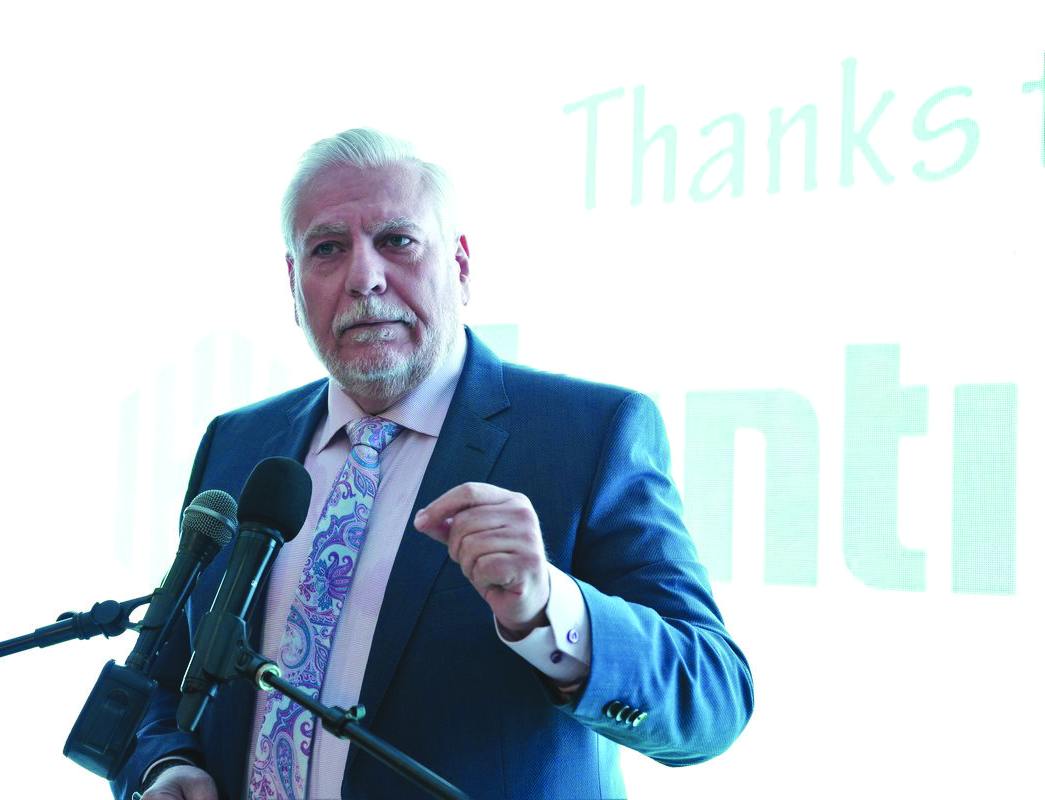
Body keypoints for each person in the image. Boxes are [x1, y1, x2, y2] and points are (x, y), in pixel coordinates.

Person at [113, 128, 753, 800]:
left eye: (397, 241)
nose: (364, 278)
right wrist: (165, 765)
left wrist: (548, 607)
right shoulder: (239, 443)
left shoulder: (586, 435)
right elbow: (159, 675)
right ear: (294, 284)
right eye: (327, 249)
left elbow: (713, 699)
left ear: (462, 266)